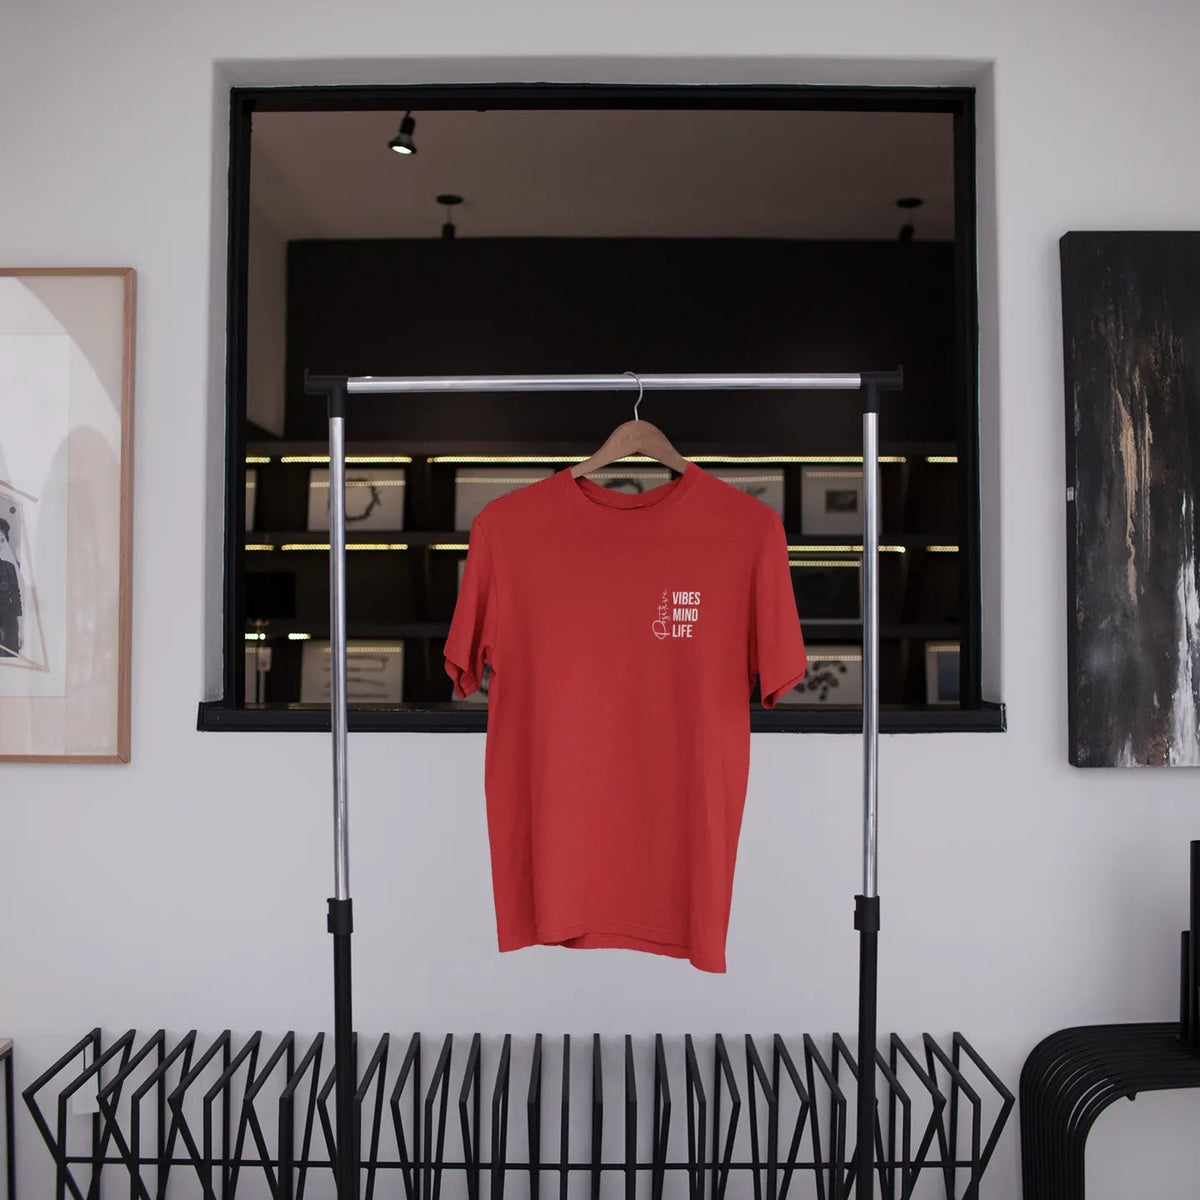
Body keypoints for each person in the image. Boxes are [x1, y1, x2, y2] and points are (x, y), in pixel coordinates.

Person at [0, 516, 24, 657]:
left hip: (8, 624)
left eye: (2, 540)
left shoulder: (10, 567)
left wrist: (20, 629)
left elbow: (16, 598)